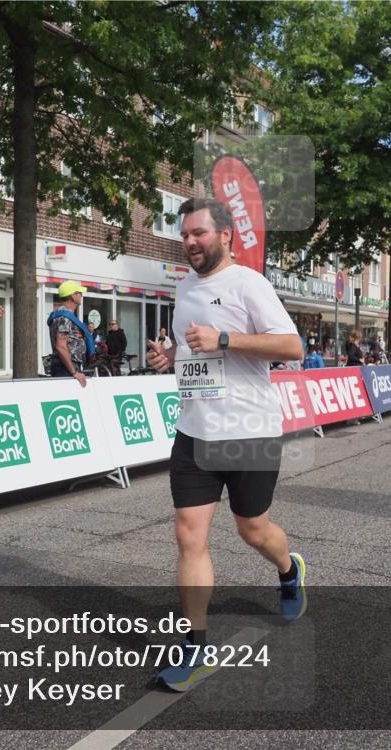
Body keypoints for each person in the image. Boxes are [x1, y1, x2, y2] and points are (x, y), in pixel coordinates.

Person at [145, 197, 305, 692]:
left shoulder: (249, 284)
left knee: (252, 530)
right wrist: (169, 355)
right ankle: (196, 647)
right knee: (189, 535)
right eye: (185, 234)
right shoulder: (185, 286)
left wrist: (227, 340)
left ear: (226, 236)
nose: (190, 242)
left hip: (249, 430)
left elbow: (292, 346)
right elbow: (194, 346)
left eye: (200, 233)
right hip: (196, 429)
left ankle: (289, 567)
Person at [46, 280, 95, 386]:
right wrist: (74, 372)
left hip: (67, 367)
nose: (81, 295)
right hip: (66, 368)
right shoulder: (64, 317)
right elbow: (61, 346)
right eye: (79, 293)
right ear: (72, 296)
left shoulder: (62, 315)